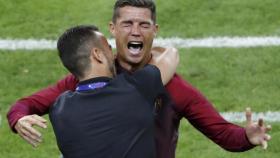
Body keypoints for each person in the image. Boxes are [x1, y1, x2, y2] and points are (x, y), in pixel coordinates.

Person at [7, 0, 271, 158]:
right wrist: (18, 117)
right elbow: (26, 104)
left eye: (144, 25)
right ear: (113, 29)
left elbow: (223, 133)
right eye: (127, 24)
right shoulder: (79, 82)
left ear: (154, 30)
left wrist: (247, 137)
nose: (136, 31)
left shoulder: (175, 88)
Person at [50, 25, 178, 158]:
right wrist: (131, 53)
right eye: (109, 49)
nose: (115, 55)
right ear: (97, 54)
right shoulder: (136, 88)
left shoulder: (59, 109)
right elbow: (170, 54)